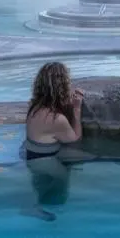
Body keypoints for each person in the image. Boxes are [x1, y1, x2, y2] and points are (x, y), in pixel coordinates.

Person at [23, 62, 84, 220]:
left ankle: (38, 206)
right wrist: (77, 109)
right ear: (62, 88)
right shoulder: (57, 119)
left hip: (32, 155)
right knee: (63, 178)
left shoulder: (34, 107)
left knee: (42, 183)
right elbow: (74, 138)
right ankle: (42, 208)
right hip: (44, 160)